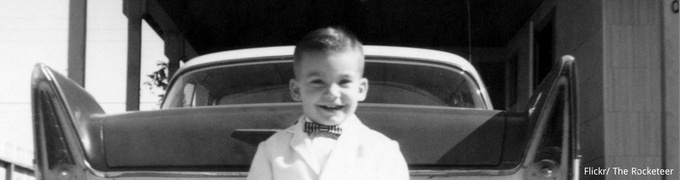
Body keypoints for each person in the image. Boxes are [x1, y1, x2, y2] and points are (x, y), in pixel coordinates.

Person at [246, 27, 409, 180]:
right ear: (296, 90)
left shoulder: (382, 150)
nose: (332, 93)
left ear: (361, 89)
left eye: (344, 81)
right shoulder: (272, 149)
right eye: (317, 82)